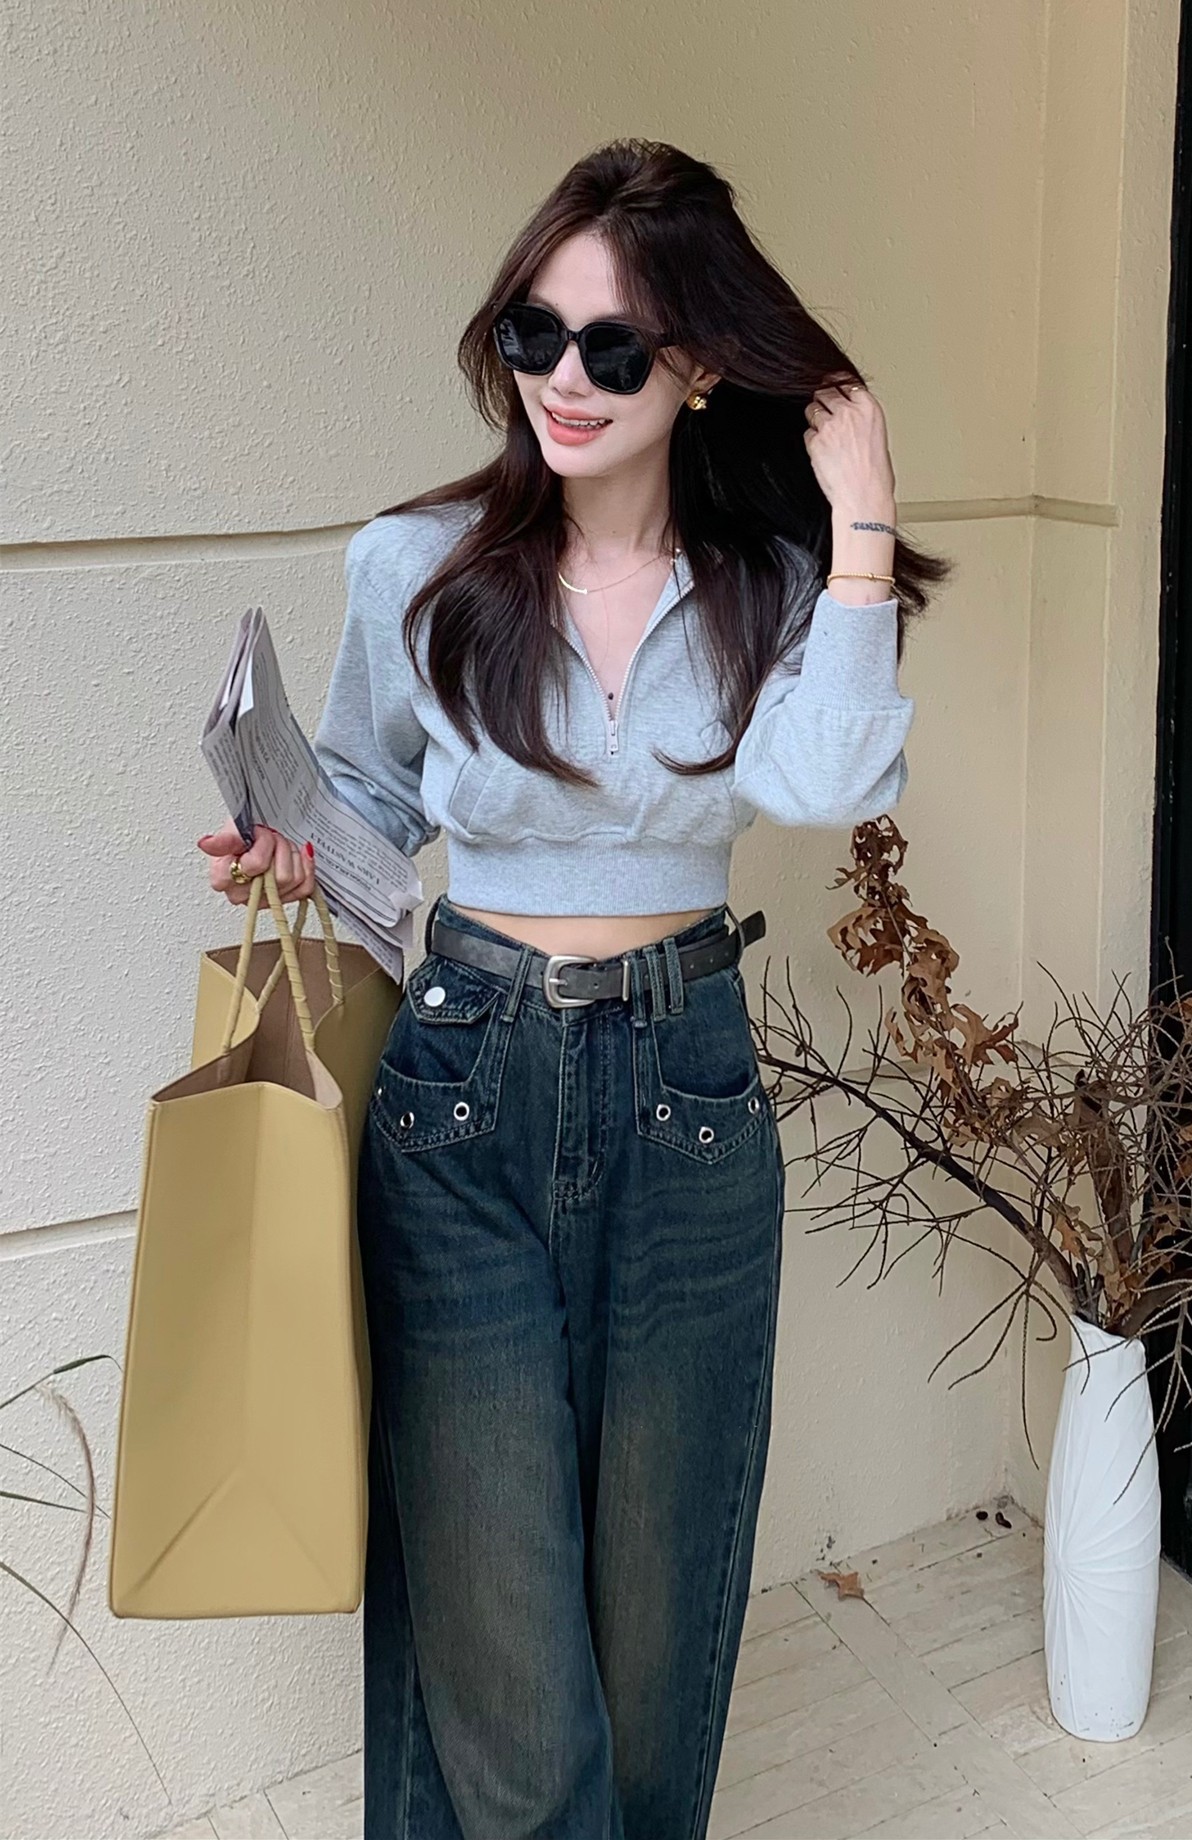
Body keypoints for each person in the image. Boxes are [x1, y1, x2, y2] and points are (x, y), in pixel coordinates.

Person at [198, 138, 949, 1840]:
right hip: (461, 1091)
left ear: (698, 367)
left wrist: (861, 518)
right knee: (507, 1671)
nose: (567, 381)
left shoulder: (767, 581)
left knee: (657, 1645)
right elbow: (371, 797)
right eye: (538, 335)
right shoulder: (416, 563)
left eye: (616, 348)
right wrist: (294, 854)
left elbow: (830, 781)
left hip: (689, 1094)